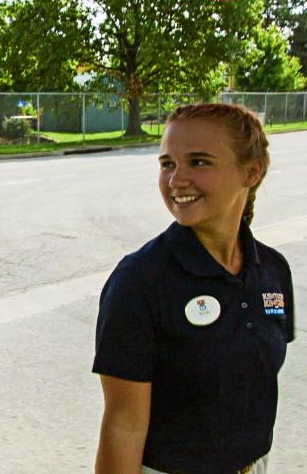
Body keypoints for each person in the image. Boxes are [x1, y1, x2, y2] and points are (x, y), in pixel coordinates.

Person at [93, 103, 294, 474]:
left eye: (198, 162)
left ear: (252, 172)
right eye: (167, 163)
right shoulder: (139, 282)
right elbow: (123, 427)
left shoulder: (272, 272)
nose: (176, 179)